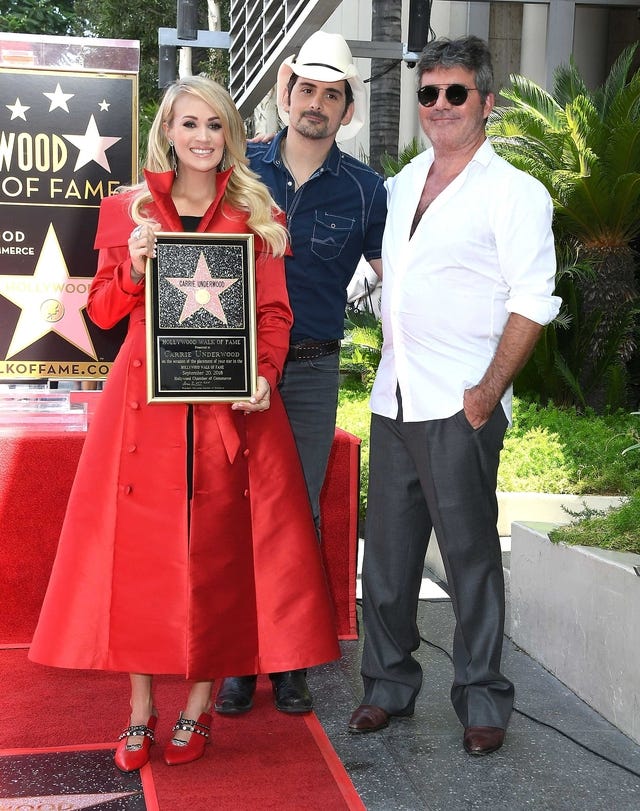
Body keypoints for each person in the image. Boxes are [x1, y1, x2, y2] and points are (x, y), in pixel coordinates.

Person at [28, 75, 340, 772]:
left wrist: (264, 373)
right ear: (167, 130)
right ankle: (141, 710)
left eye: (215, 125)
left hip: (229, 414)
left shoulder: (258, 214)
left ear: (230, 134)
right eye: (189, 123)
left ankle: (198, 708)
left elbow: (275, 316)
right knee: (140, 562)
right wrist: (135, 268)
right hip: (145, 410)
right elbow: (104, 313)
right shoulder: (127, 211)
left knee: (219, 557)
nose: (202, 137)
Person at [347, 36, 561, 755]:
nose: (438, 105)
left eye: (455, 93)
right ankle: (386, 687)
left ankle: (482, 700)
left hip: (459, 405)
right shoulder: (404, 183)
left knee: (469, 559)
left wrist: (486, 392)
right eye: (428, 93)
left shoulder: (515, 193)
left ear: (487, 103)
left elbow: (534, 300)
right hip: (394, 398)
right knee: (388, 559)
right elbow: (386, 272)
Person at [214, 31, 386, 717]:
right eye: (307, 88)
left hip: (312, 369)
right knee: (230, 510)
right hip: (230, 367)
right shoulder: (238, 168)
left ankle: (289, 663)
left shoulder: (367, 192)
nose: (316, 103)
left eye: (332, 93)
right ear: (287, 94)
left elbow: (394, 272)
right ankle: (234, 662)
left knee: (298, 513)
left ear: (348, 109)